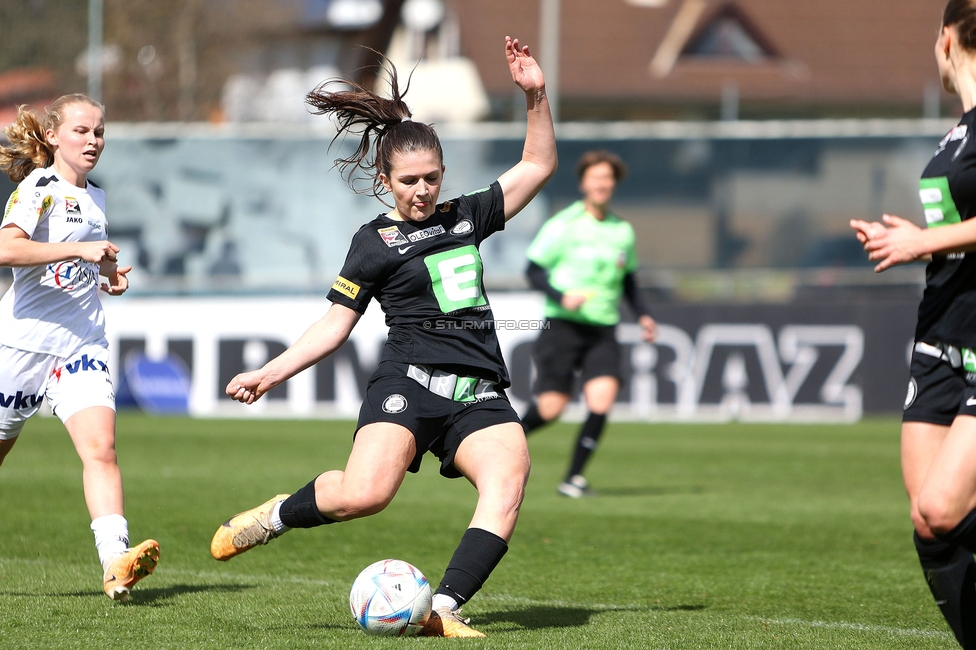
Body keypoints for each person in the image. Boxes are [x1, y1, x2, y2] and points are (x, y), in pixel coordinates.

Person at [209, 36, 555, 638]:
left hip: (478, 391)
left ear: (444, 173)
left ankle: (441, 610)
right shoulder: (373, 243)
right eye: (409, 181)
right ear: (383, 177)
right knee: (364, 496)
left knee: (508, 481)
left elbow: (538, 164)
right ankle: (275, 517)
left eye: (431, 179)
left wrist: (535, 94)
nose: (422, 192)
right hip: (409, 383)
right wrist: (271, 371)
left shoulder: (467, 215)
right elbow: (336, 324)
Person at [850, 2, 976, 646]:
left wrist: (923, 244)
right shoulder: (959, 131)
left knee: (942, 506)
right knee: (929, 522)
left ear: (947, 38)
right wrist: (917, 236)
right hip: (940, 336)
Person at [0, 95, 159, 601]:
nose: (94, 141)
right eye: (82, 131)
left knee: (102, 450)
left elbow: (76, 264)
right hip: (22, 346)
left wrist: (105, 275)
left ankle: (116, 562)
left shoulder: (98, 196)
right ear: (53, 137)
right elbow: (6, 248)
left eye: (100, 132)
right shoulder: (38, 188)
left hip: (81, 344)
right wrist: (79, 249)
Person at [518, 150, 656, 498]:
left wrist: (643, 314)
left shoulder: (622, 230)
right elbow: (532, 270)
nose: (602, 184)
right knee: (550, 407)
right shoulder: (564, 225)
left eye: (608, 178)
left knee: (602, 398)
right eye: (596, 177)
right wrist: (561, 295)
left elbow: (628, 281)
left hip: (603, 329)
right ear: (584, 183)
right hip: (563, 325)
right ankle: (495, 442)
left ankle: (573, 479)